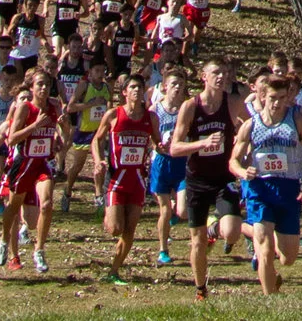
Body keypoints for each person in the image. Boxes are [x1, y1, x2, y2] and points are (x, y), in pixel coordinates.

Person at [231, 71, 302, 295]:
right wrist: (244, 172)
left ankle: (271, 265)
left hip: (288, 189)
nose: (276, 103)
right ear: (263, 96)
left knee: (288, 258)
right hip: (260, 188)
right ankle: (270, 299)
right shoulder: (251, 125)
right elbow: (233, 161)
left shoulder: (297, 119)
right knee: (264, 248)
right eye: (273, 98)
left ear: (288, 98)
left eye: (282, 98)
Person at [169, 57, 241, 299]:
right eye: (216, 73)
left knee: (231, 232)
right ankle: (201, 289)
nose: (221, 77)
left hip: (223, 178)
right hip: (197, 180)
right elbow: (175, 148)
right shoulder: (191, 106)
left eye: (224, 73)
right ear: (204, 77)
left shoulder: (231, 103)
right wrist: (202, 143)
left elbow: (254, 124)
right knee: (197, 242)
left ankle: (215, 230)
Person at [95, 73, 165, 286]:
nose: (137, 90)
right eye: (132, 87)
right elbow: (96, 140)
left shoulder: (150, 118)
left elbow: (157, 142)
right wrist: (98, 160)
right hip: (117, 178)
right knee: (116, 228)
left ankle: (114, 271)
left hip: (137, 180)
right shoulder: (113, 115)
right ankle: (103, 206)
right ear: (124, 92)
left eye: (140, 87)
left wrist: (162, 148)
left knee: (129, 230)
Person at [0, 66, 63, 275]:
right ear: (32, 87)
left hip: (42, 163)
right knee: (13, 207)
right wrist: (35, 126)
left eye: (47, 85)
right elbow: (12, 139)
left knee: (48, 203)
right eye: (40, 84)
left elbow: (62, 137)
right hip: (23, 164)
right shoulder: (25, 108)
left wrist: (61, 132)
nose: (43, 88)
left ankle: (39, 250)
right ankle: (4, 240)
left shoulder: (55, 106)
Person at [146, 64, 190, 266]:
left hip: (181, 163)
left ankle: (175, 214)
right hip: (161, 163)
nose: (177, 88)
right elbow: (149, 137)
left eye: (181, 84)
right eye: (174, 84)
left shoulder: (187, 108)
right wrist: (156, 146)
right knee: (164, 209)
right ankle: (163, 249)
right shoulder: (155, 110)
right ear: (164, 87)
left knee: (182, 211)